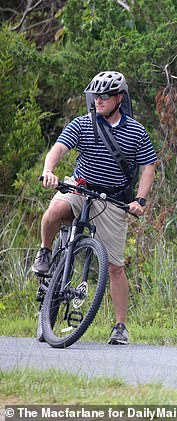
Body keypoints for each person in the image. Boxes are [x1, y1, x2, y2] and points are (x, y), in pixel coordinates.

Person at [32, 71, 158, 345]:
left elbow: (149, 166)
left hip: (112, 199)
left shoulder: (136, 131)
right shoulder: (82, 124)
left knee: (115, 267)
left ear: (119, 98)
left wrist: (140, 199)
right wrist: (49, 170)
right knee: (53, 213)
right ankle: (45, 252)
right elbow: (58, 150)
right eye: (95, 96)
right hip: (79, 187)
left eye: (104, 96)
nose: (98, 100)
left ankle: (120, 326)